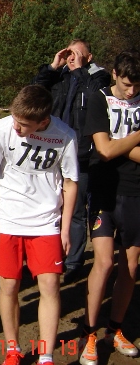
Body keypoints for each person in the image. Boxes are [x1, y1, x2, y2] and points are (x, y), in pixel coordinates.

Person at [0, 85, 79, 365]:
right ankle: (12, 349)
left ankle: (46, 355)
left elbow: (71, 183)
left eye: (24, 124)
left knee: (50, 285)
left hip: (46, 223)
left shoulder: (65, 136)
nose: (16, 127)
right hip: (9, 220)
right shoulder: (1, 129)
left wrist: (65, 229)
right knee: (9, 285)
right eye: (15, 119)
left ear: (43, 121)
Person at [78, 49, 140, 365]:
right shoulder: (99, 98)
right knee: (103, 263)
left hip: (135, 192)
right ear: (114, 74)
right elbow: (102, 150)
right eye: (127, 84)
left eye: (137, 86)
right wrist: (136, 137)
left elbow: (112, 146)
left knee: (130, 266)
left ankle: (114, 330)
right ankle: (89, 333)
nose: (132, 91)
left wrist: (118, 143)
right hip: (103, 191)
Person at [31, 39, 111, 283]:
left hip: (82, 153)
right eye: (69, 53)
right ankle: (49, 256)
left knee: (75, 210)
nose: (72, 57)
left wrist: (79, 70)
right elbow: (33, 92)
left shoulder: (98, 77)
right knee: (50, 207)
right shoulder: (59, 76)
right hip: (53, 150)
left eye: (78, 53)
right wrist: (53, 67)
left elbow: (96, 95)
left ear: (89, 57)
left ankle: (73, 262)